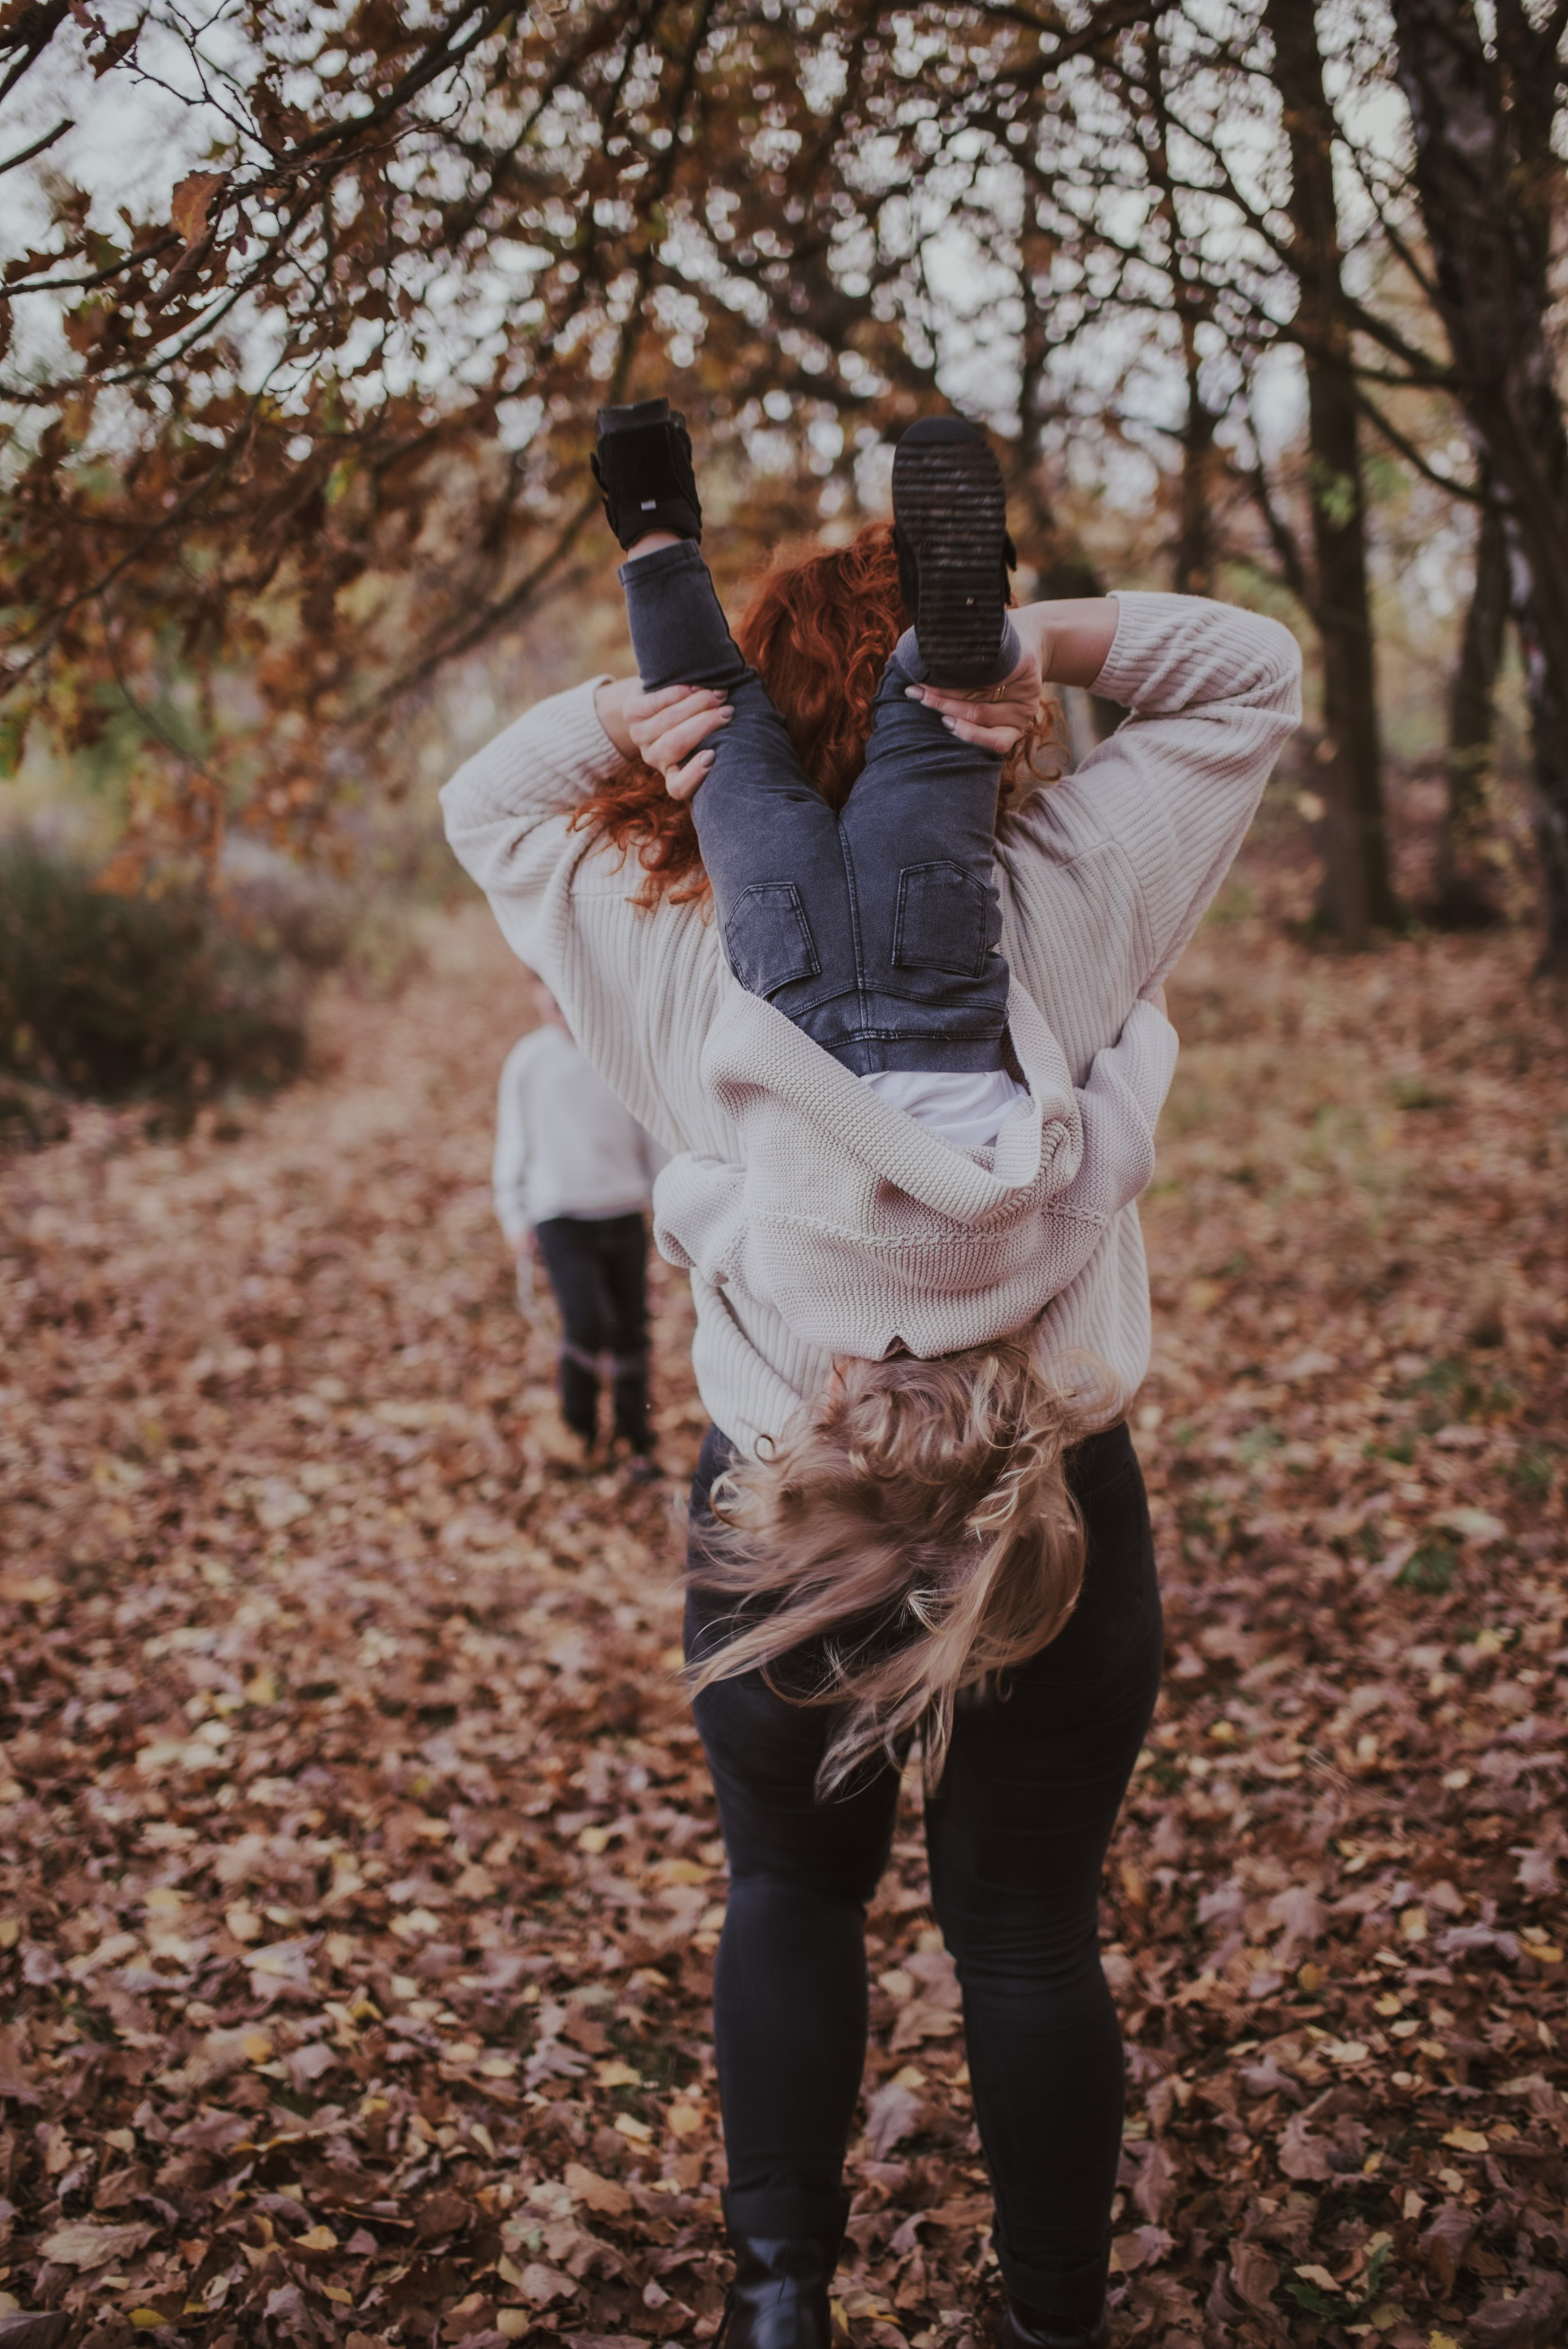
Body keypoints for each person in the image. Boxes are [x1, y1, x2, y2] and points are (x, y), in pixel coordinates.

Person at [442, 412, 1302, 2349]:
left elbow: (487, 813)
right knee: (1023, 1933)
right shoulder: (1065, 897)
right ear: (941, 673)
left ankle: (777, 2303)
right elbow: (1249, 671)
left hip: (783, 1499)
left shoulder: (674, 959)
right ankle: (1053, 2324)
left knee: (787, 1898)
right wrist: (1022, 652)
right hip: (1046, 1507)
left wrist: (625, 712)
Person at [492, 986, 664, 1466]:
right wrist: (514, 1212)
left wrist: (666, 1196)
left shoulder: (619, 1052)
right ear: (538, 998)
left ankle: (636, 1436)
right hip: (560, 1215)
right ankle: (578, 1429)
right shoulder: (529, 1061)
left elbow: (650, 1133)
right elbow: (513, 1140)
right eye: (550, 1000)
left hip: (622, 1209)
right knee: (587, 1323)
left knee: (631, 1328)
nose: (562, 1011)